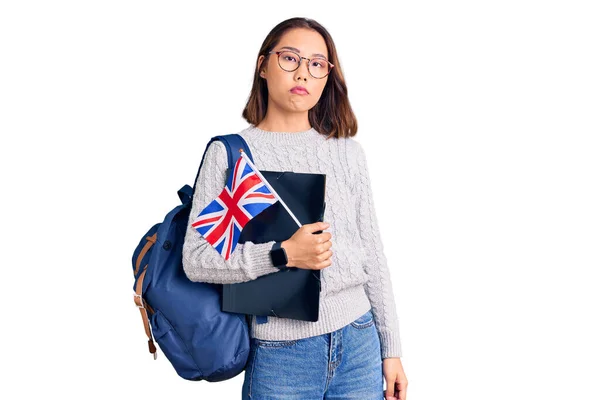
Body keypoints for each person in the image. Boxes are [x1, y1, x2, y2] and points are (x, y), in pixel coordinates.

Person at [182, 17, 408, 400]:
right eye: (290, 58)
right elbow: (197, 258)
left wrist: (392, 349)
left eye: (317, 64)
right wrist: (282, 254)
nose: (303, 72)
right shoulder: (233, 155)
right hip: (280, 355)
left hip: (358, 342)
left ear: (327, 76)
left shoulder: (347, 152)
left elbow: (372, 255)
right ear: (264, 65)